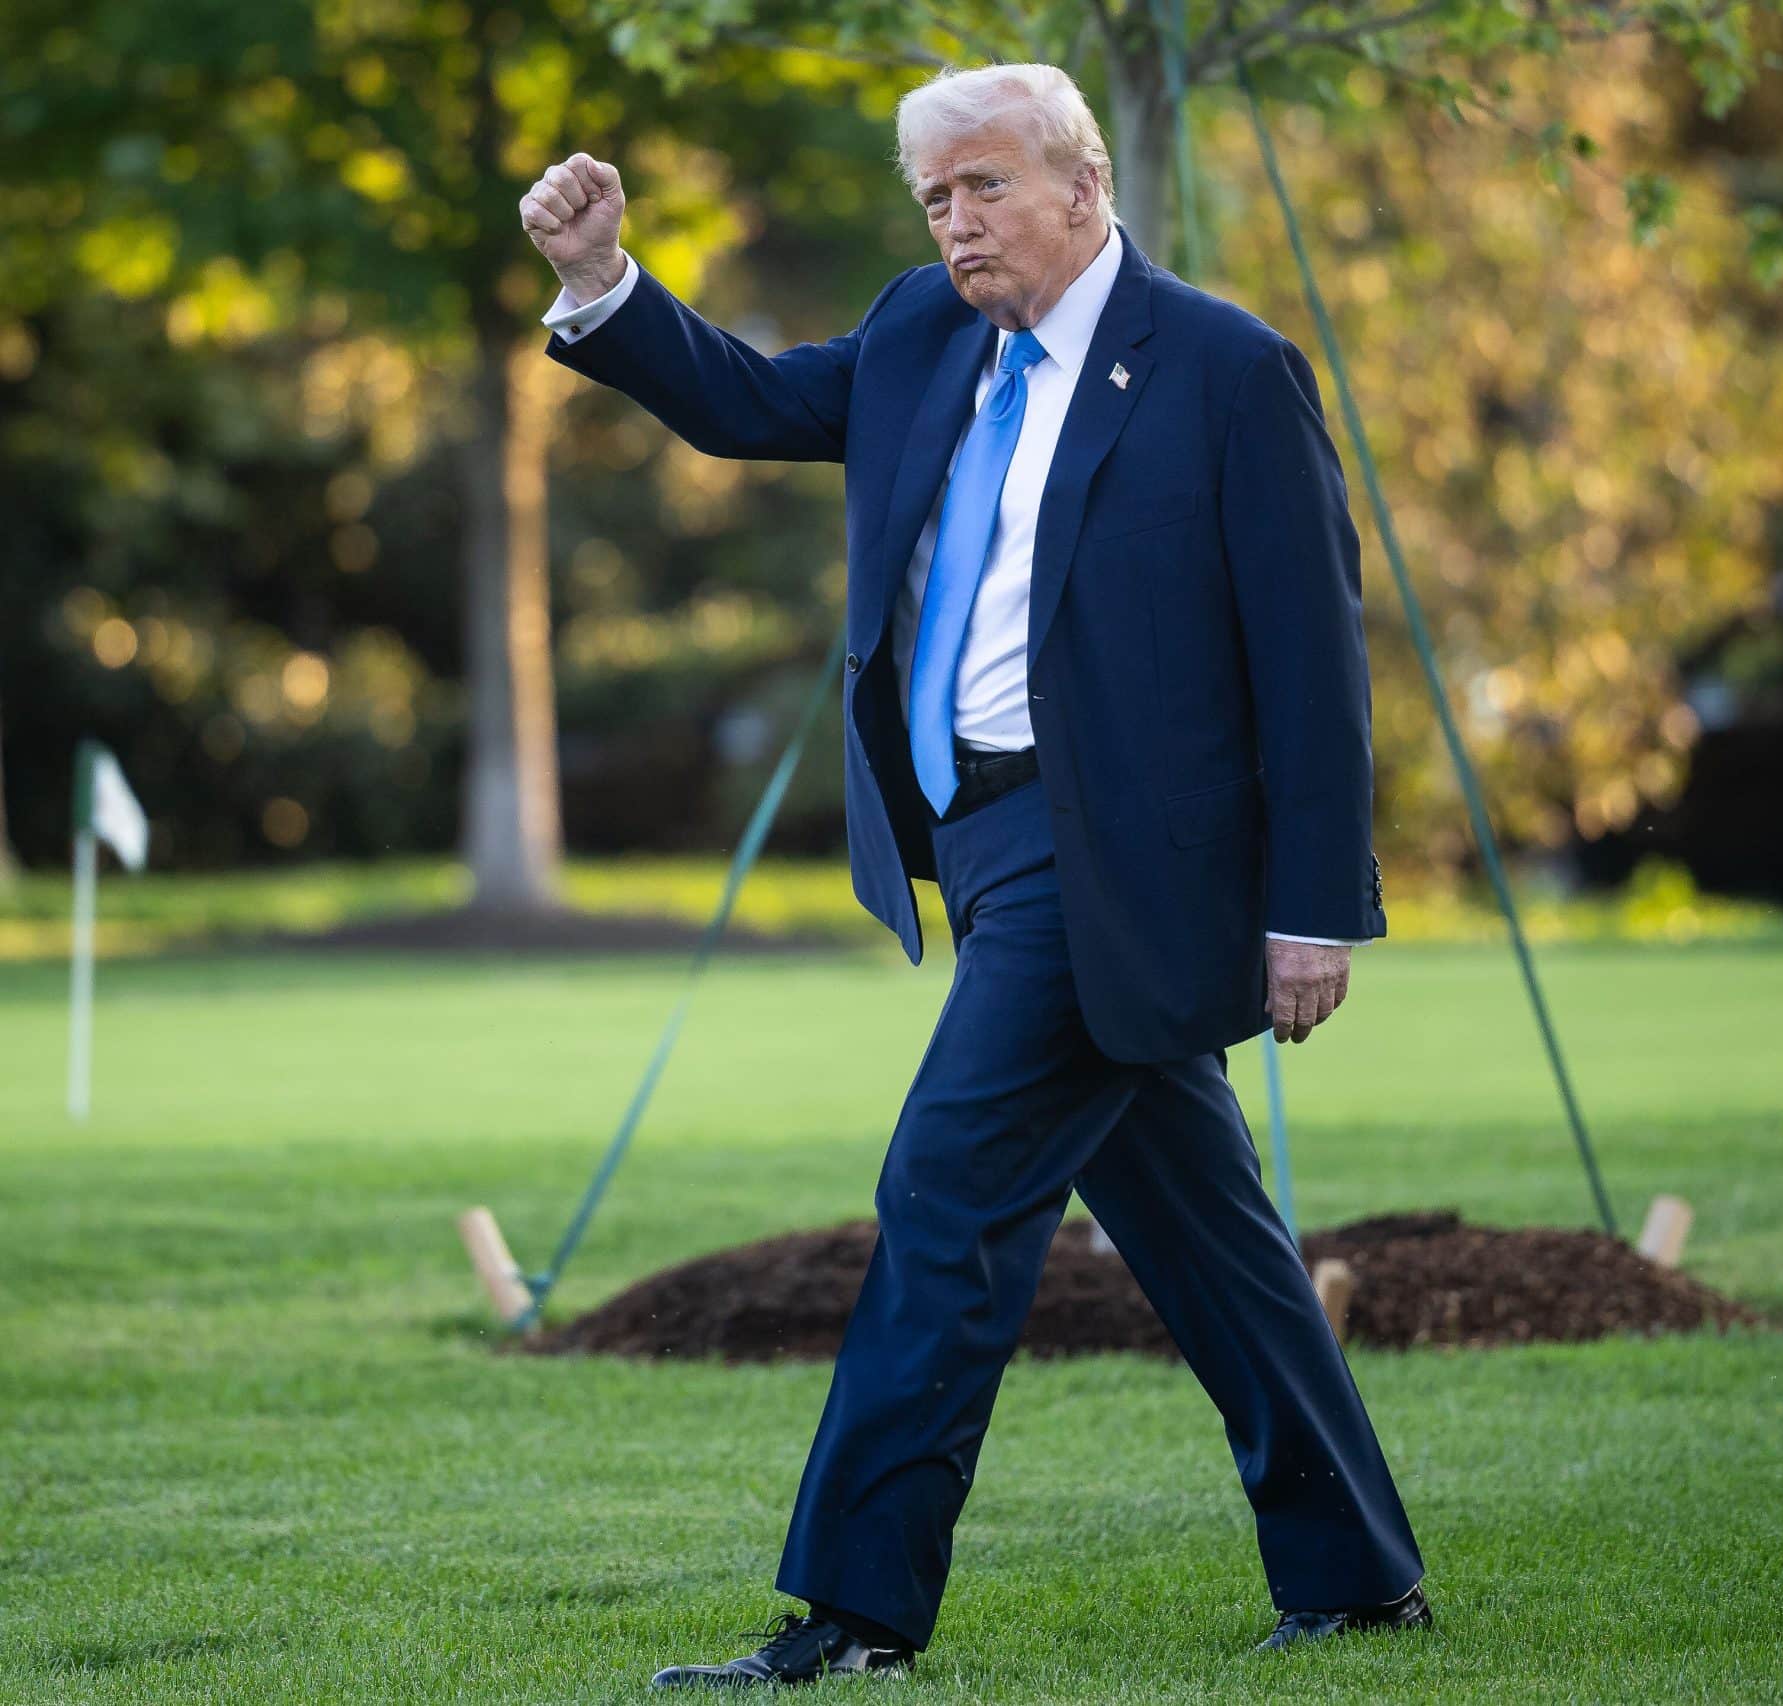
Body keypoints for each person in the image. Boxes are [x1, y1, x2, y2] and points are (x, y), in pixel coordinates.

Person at [519, 59, 1428, 1690]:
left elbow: (1313, 667)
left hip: (1127, 862)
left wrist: (1312, 908)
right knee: (1207, 1232)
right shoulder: (923, 334)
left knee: (945, 1192)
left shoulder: (1225, 370)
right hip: (986, 842)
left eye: (985, 186)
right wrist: (603, 283)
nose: (955, 222)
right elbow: (747, 403)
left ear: (1086, 185)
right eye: (934, 196)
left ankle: (855, 1613)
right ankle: (1358, 1574)